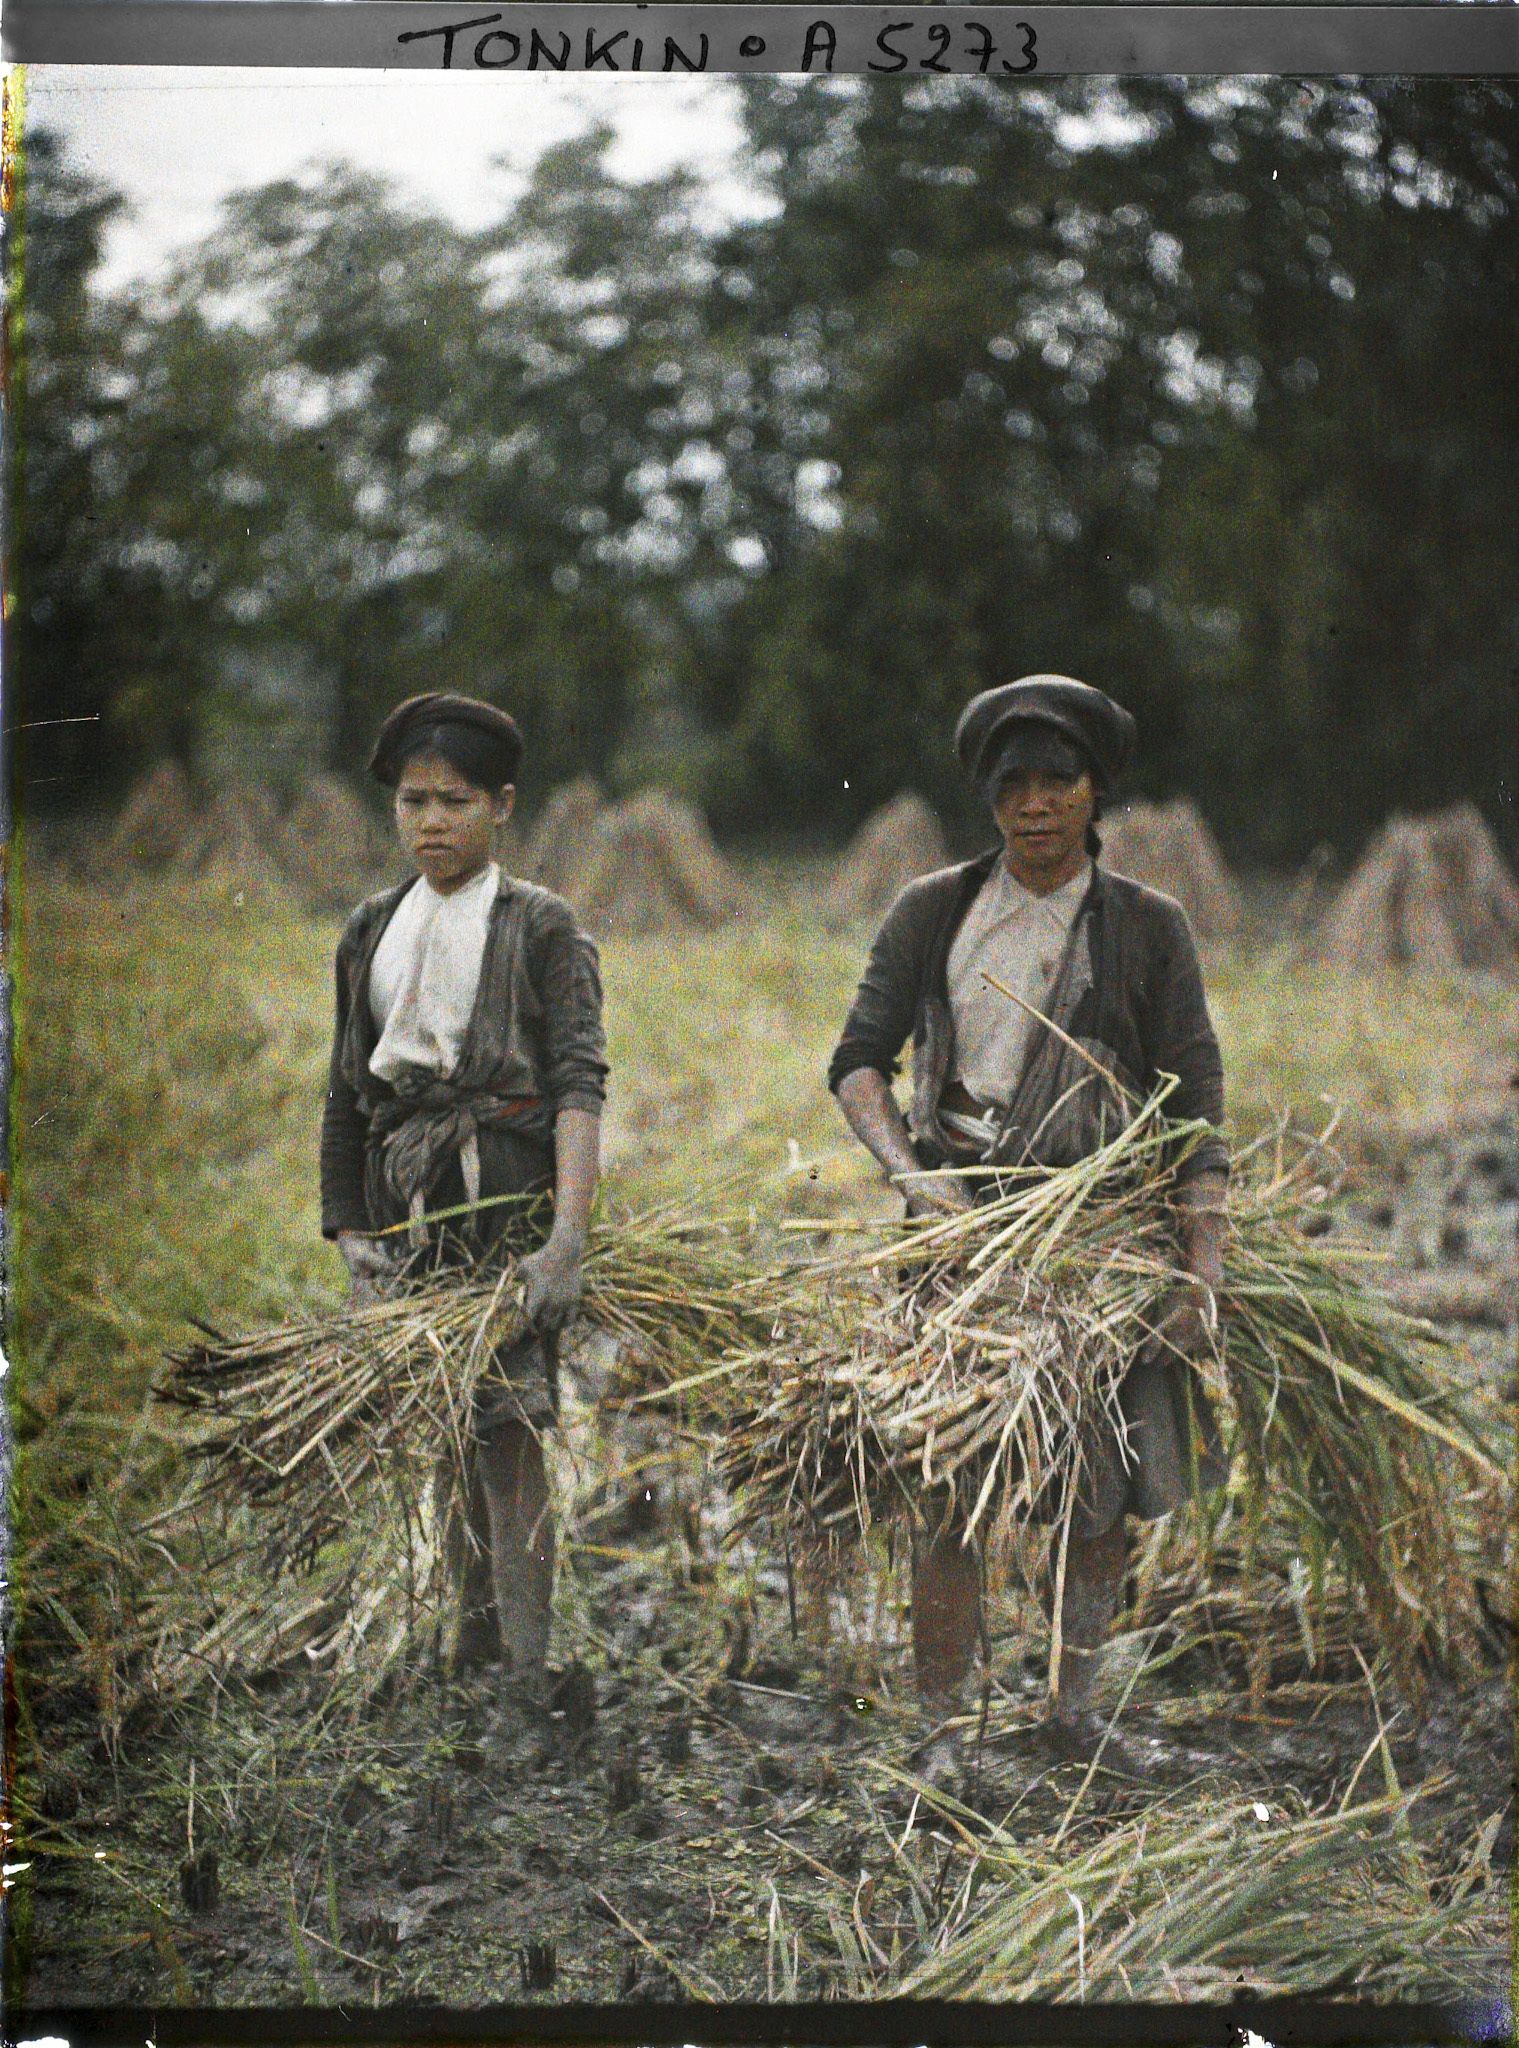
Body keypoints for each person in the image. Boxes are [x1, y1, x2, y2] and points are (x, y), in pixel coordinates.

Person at [827, 674, 1228, 1760]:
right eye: (1013, 784)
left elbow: (1196, 1106)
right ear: (987, 796)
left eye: (1058, 781)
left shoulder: (1147, 928)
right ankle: (942, 1728)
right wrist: (917, 1180)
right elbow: (858, 1063)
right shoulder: (934, 909)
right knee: (948, 1480)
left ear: (1096, 792)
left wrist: (1199, 1269)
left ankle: (1073, 1709)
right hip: (960, 1235)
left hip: (1100, 1242)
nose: (1035, 803)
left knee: (1096, 1492)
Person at [320, 691, 607, 1730]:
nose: (432, 821)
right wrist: (353, 1234)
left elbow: (579, 1083)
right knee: (441, 1422)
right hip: (411, 1216)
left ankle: (530, 1666)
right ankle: (467, 1625)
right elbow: (348, 1099)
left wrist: (565, 1242)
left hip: (510, 1215)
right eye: (411, 801)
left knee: (514, 1431)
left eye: (454, 800)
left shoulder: (540, 925)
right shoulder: (368, 929)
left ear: (502, 806)